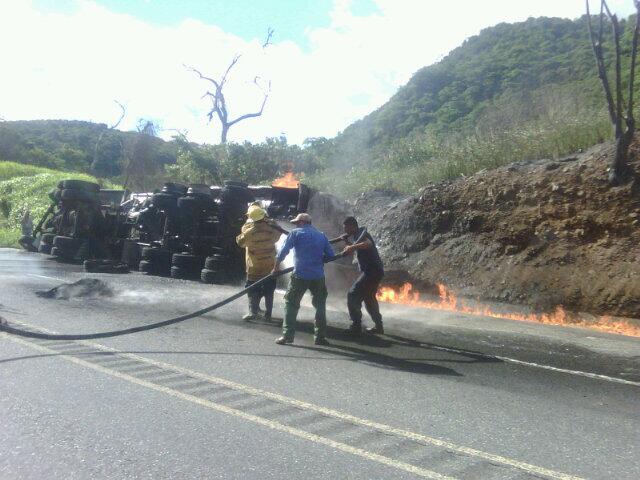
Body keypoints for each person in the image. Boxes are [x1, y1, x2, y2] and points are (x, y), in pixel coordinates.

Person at [273, 213, 335, 346]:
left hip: (300, 275)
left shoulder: (295, 233)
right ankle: (320, 337)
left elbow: (283, 251)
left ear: (301, 222)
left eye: (296, 222)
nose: (295, 225)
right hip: (318, 276)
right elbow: (330, 256)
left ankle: (287, 336)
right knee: (320, 306)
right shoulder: (321, 235)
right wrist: (318, 258)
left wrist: (276, 267)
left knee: (291, 304)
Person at [236, 204, 282, 321]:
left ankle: (253, 312)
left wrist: (246, 226)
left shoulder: (249, 232)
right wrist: (272, 223)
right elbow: (279, 234)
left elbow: (240, 243)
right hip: (270, 265)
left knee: (252, 289)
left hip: (254, 266)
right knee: (269, 290)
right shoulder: (272, 229)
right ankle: (268, 315)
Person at [341, 216, 385, 335]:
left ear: (352, 226)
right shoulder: (357, 236)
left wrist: (351, 246)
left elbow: (367, 244)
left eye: (346, 227)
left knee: (352, 294)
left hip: (372, 271)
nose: (344, 230)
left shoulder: (362, 233)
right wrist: (347, 242)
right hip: (375, 271)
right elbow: (358, 247)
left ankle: (356, 325)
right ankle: (379, 326)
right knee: (369, 298)